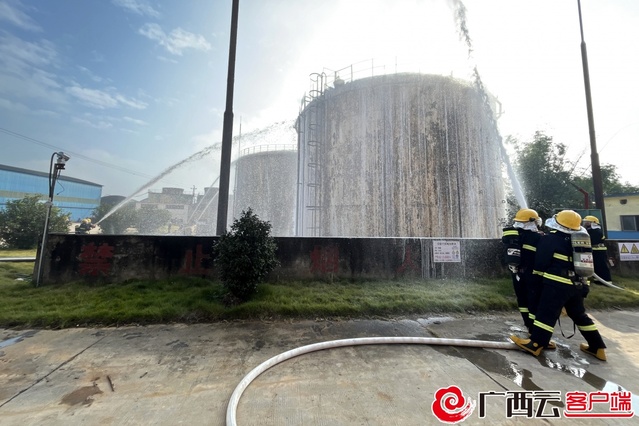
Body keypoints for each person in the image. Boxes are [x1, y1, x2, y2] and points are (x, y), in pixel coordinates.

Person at [511, 210, 607, 361]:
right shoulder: (580, 239)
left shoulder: (550, 239)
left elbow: (541, 262)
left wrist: (537, 275)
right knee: (579, 315)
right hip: (578, 284)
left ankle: (536, 344)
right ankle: (597, 347)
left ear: (559, 223)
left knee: (546, 314)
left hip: (557, 284)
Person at [501, 208, 544, 334]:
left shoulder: (512, 237)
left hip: (516, 272)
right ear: (533, 222)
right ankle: (534, 328)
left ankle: (527, 324)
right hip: (533, 274)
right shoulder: (538, 237)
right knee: (533, 301)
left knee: (522, 299)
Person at [582, 215, 612, 284]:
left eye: (587, 222)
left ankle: (606, 280)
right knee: (596, 266)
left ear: (593, 223)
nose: (586, 223)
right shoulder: (590, 230)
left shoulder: (596, 231)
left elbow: (592, 241)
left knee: (601, 266)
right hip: (595, 250)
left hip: (599, 251)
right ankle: (598, 280)